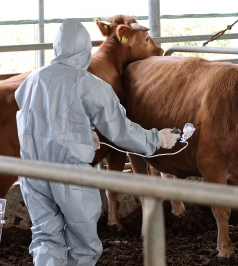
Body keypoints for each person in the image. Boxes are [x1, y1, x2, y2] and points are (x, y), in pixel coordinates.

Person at [15, 19, 180, 266]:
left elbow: (39, 117)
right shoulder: (88, 83)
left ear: (57, 47)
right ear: (84, 48)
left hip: (32, 172)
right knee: (83, 243)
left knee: (45, 237)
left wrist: (81, 129)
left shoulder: (31, 80)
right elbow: (121, 130)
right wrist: (157, 138)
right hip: (70, 175)